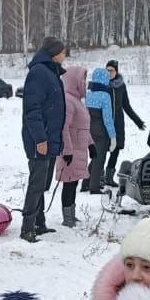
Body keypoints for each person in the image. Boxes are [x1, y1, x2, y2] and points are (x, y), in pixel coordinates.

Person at [20, 38, 67, 242]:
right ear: (54, 53)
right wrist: (40, 138)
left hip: (49, 137)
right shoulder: (39, 73)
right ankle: (27, 227)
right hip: (40, 139)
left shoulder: (51, 73)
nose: (65, 55)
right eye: (63, 52)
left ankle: (39, 223)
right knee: (37, 183)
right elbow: (32, 109)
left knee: (43, 183)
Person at [54, 64, 90, 227]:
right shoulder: (68, 100)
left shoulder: (77, 101)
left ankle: (72, 214)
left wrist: (91, 144)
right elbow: (64, 127)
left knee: (74, 183)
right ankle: (67, 217)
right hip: (71, 151)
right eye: (83, 79)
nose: (85, 82)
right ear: (74, 80)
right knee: (69, 183)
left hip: (79, 150)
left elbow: (82, 126)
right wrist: (67, 151)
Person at [105, 59, 145, 188]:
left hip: (118, 123)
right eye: (107, 70)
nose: (109, 73)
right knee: (101, 149)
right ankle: (95, 176)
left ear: (116, 71)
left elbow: (126, 106)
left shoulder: (121, 86)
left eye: (111, 70)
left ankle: (109, 176)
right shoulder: (102, 84)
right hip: (104, 122)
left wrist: (137, 121)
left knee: (115, 149)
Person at [84, 67, 116, 194]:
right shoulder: (105, 95)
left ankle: (86, 182)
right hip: (101, 131)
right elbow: (107, 118)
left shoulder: (89, 94)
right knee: (100, 158)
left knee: (94, 157)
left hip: (89, 128)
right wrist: (113, 136)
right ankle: (94, 186)